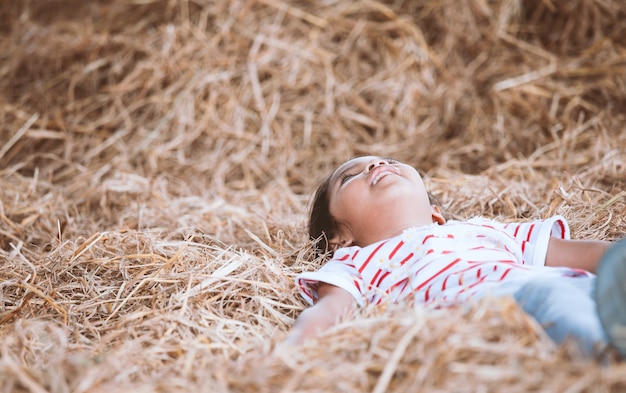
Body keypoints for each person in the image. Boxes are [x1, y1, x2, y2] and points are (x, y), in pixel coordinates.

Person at [286, 155, 626, 359]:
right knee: (554, 299)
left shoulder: (483, 230)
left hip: (584, 291)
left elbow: (593, 256)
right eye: (349, 177)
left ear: (436, 213)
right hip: (502, 311)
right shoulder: (356, 262)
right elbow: (328, 312)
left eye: (389, 161)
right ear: (338, 240)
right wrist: (293, 351)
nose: (376, 164)